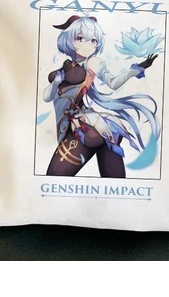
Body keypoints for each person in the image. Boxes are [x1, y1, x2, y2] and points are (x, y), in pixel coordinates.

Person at [43, 15, 160, 178]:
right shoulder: (66, 67)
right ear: (68, 39)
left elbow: (113, 83)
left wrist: (136, 70)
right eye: (80, 38)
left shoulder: (92, 63)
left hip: (84, 127)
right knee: (114, 179)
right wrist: (58, 79)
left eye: (93, 41)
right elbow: (47, 97)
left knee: (55, 176)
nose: (88, 45)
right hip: (80, 125)